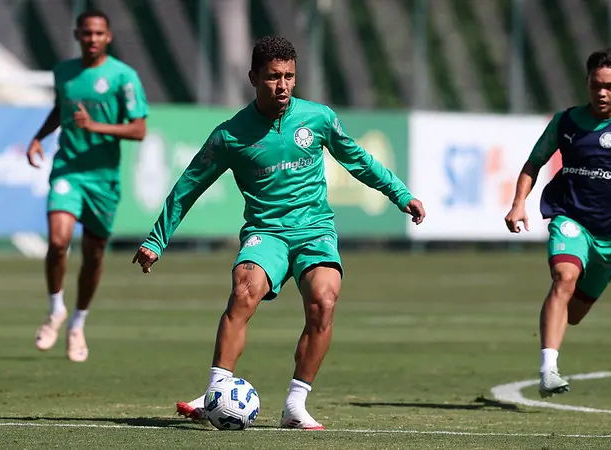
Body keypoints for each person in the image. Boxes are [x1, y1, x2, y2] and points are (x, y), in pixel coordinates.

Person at [132, 36, 425, 429]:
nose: (282, 85)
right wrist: (157, 239)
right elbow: (188, 187)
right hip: (266, 231)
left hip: (314, 229)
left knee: (324, 300)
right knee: (244, 291)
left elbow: (358, 159)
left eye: (289, 76)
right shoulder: (230, 135)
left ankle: (294, 405)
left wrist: (400, 193)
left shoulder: (318, 118)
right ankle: (217, 392)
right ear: (253, 78)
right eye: (273, 77)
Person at [504, 48, 611, 397]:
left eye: (609, 86)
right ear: (587, 82)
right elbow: (533, 163)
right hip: (571, 218)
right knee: (563, 278)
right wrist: (518, 203)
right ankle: (548, 370)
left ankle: (553, 330)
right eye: (595, 85)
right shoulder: (566, 122)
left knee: (575, 312)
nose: (601, 92)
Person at [27, 9, 149, 362]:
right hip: (68, 170)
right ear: (77, 35)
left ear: (108, 37)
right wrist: (38, 137)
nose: (92, 39)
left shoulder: (123, 76)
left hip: (103, 180)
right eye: (86, 33)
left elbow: (138, 129)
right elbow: (60, 109)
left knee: (94, 255)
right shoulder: (63, 72)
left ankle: (78, 322)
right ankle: (56, 309)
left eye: (98, 33)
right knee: (57, 241)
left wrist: (96, 126)